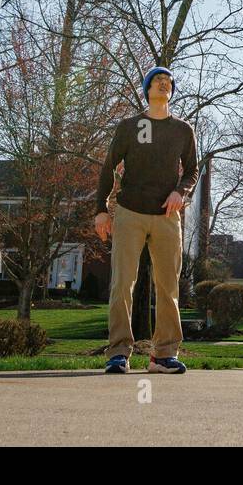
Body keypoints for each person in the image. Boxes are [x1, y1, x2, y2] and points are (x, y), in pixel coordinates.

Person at [94, 66, 199, 374]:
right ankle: (119, 353)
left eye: (168, 82)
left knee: (168, 287)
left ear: (171, 91)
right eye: (157, 81)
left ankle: (164, 355)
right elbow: (109, 166)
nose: (163, 84)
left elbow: (192, 170)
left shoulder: (183, 130)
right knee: (123, 283)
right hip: (129, 213)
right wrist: (101, 207)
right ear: (147, 89)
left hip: (167, 217)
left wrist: (181, 192)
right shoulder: (129, 126)